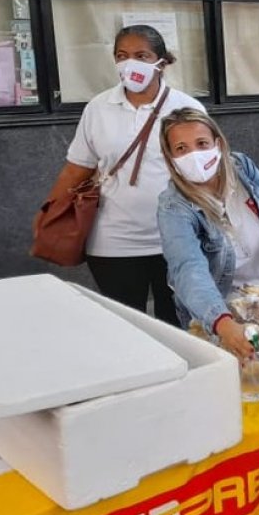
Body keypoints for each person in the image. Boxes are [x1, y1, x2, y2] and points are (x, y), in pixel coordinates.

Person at [39, 25, 204, 325]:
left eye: (141, 55)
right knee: (127, 327)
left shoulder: (186, 108)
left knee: (179, 325)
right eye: (122, 56)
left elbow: (207, 173)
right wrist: (50, 213)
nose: (131, 64)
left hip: (177, 240)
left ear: (162, 62)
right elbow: (77, 167)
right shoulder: (99, 108)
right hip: (114, 243)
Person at [156, 108, 259, 359]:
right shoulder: (173, 206)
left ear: (218, 143)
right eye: (181, 148)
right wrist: (223, 323)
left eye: (202, 143)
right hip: (217, 316)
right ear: (170, 158)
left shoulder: (242, 169)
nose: (194, 154)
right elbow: (188, 269)